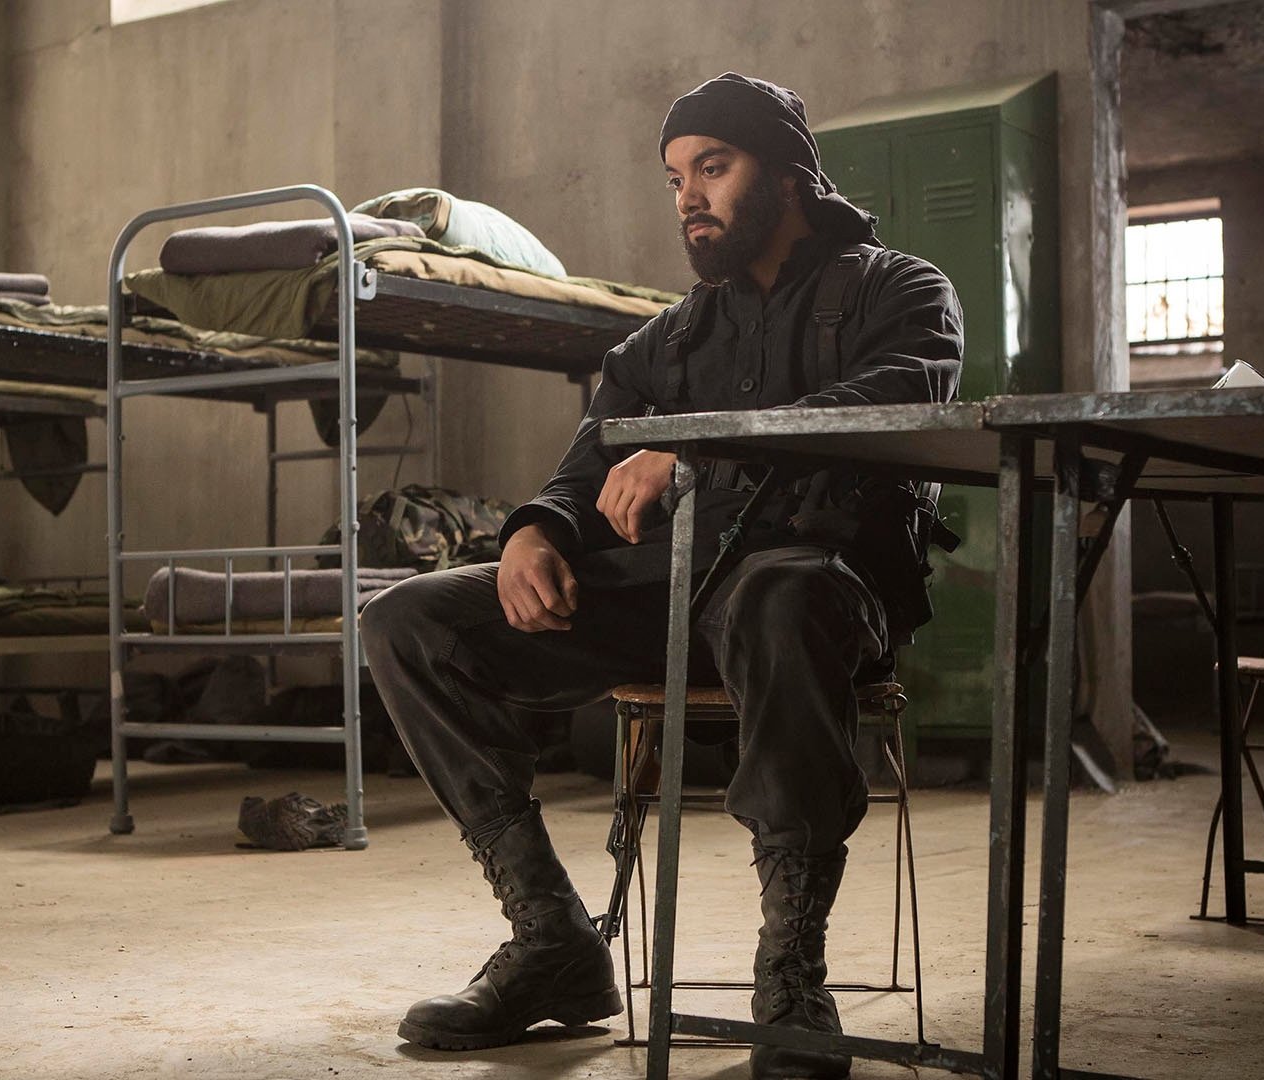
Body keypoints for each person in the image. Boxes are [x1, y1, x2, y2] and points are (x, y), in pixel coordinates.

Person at [361, 72, 963, 1079]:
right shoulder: (668, 338)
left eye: (713, 167)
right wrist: (534, 532)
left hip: (818, 592)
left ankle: (791, 969)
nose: (689, 196)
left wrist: (696, 445)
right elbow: (584, 465)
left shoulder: (898, 290)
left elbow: (897, 400)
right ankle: (552, 940)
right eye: (676, 177)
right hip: (670, 598)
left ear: (789, 174)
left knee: (777, 596)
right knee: (407, 619)